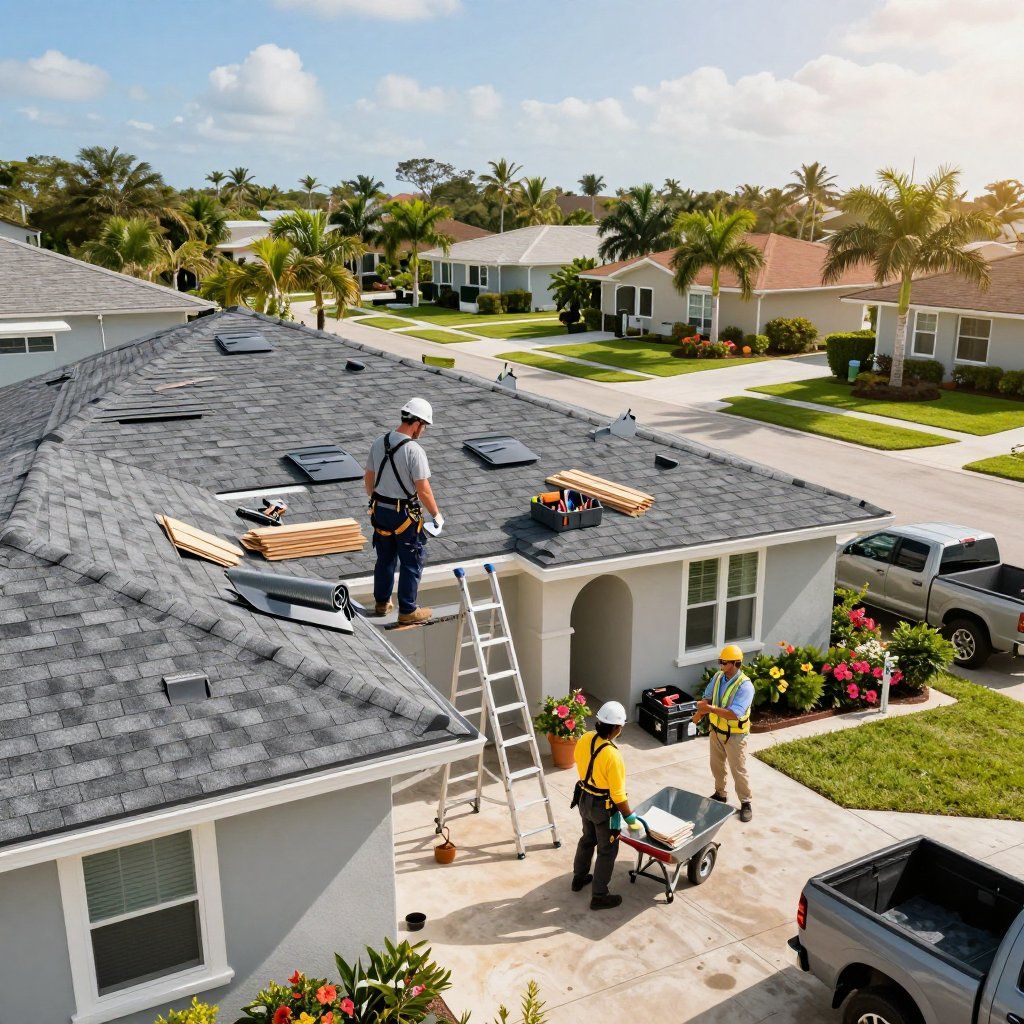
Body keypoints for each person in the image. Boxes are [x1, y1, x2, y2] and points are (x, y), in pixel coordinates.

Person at [364, 398, 444, 626]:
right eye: (424, 426)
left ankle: (382, 603)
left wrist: (375, 500)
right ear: (417, 423)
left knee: (385, 557)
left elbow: (368, 478)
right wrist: (436, 515)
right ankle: (408, 609)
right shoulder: (413, 450)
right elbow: (423, 490)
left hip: (379, 511)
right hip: (403, 515)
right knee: (411, 560)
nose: (424, 431)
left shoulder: (379, 442)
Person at [570, 701, 641, 910]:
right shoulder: (613, 755)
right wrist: (631, 819)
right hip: (604, 808)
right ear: (617, 728)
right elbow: (618, 795)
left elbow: (578, 762)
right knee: (607, 849)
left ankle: (579, 878)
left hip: (584, 799)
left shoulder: (584, 738)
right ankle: (599, 895)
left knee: (587, 839)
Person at [692, 644, 755, 822]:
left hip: (735, 735)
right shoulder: (718, 677)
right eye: (720, 661)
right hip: (716, 732)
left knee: (738, 770)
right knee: (716, 766)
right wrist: (700, 711)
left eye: (724, 662)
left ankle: (746, 802)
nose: (720, 664)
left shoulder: (745, 687)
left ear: (735, 664)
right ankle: (720, 794)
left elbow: (734, 714)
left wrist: (709, 709)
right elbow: (708, 696)